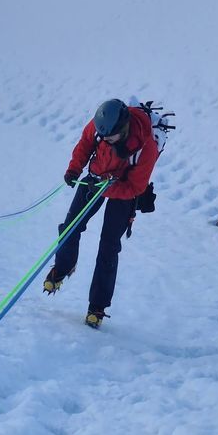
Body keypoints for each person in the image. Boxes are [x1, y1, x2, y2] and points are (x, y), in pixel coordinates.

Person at [43, 98, 161, 328]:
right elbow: (86, 143)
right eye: (102, 135)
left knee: (108, 244)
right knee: (70, 226)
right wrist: (74, 168)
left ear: (124, 129)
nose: (104, 139)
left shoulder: (146, 148)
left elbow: (136, 187)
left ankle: (97, 306)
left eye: (110, 137)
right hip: (96, 179)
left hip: (124, 191)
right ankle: (62, 268)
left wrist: (109, 187)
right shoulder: (101, 127)